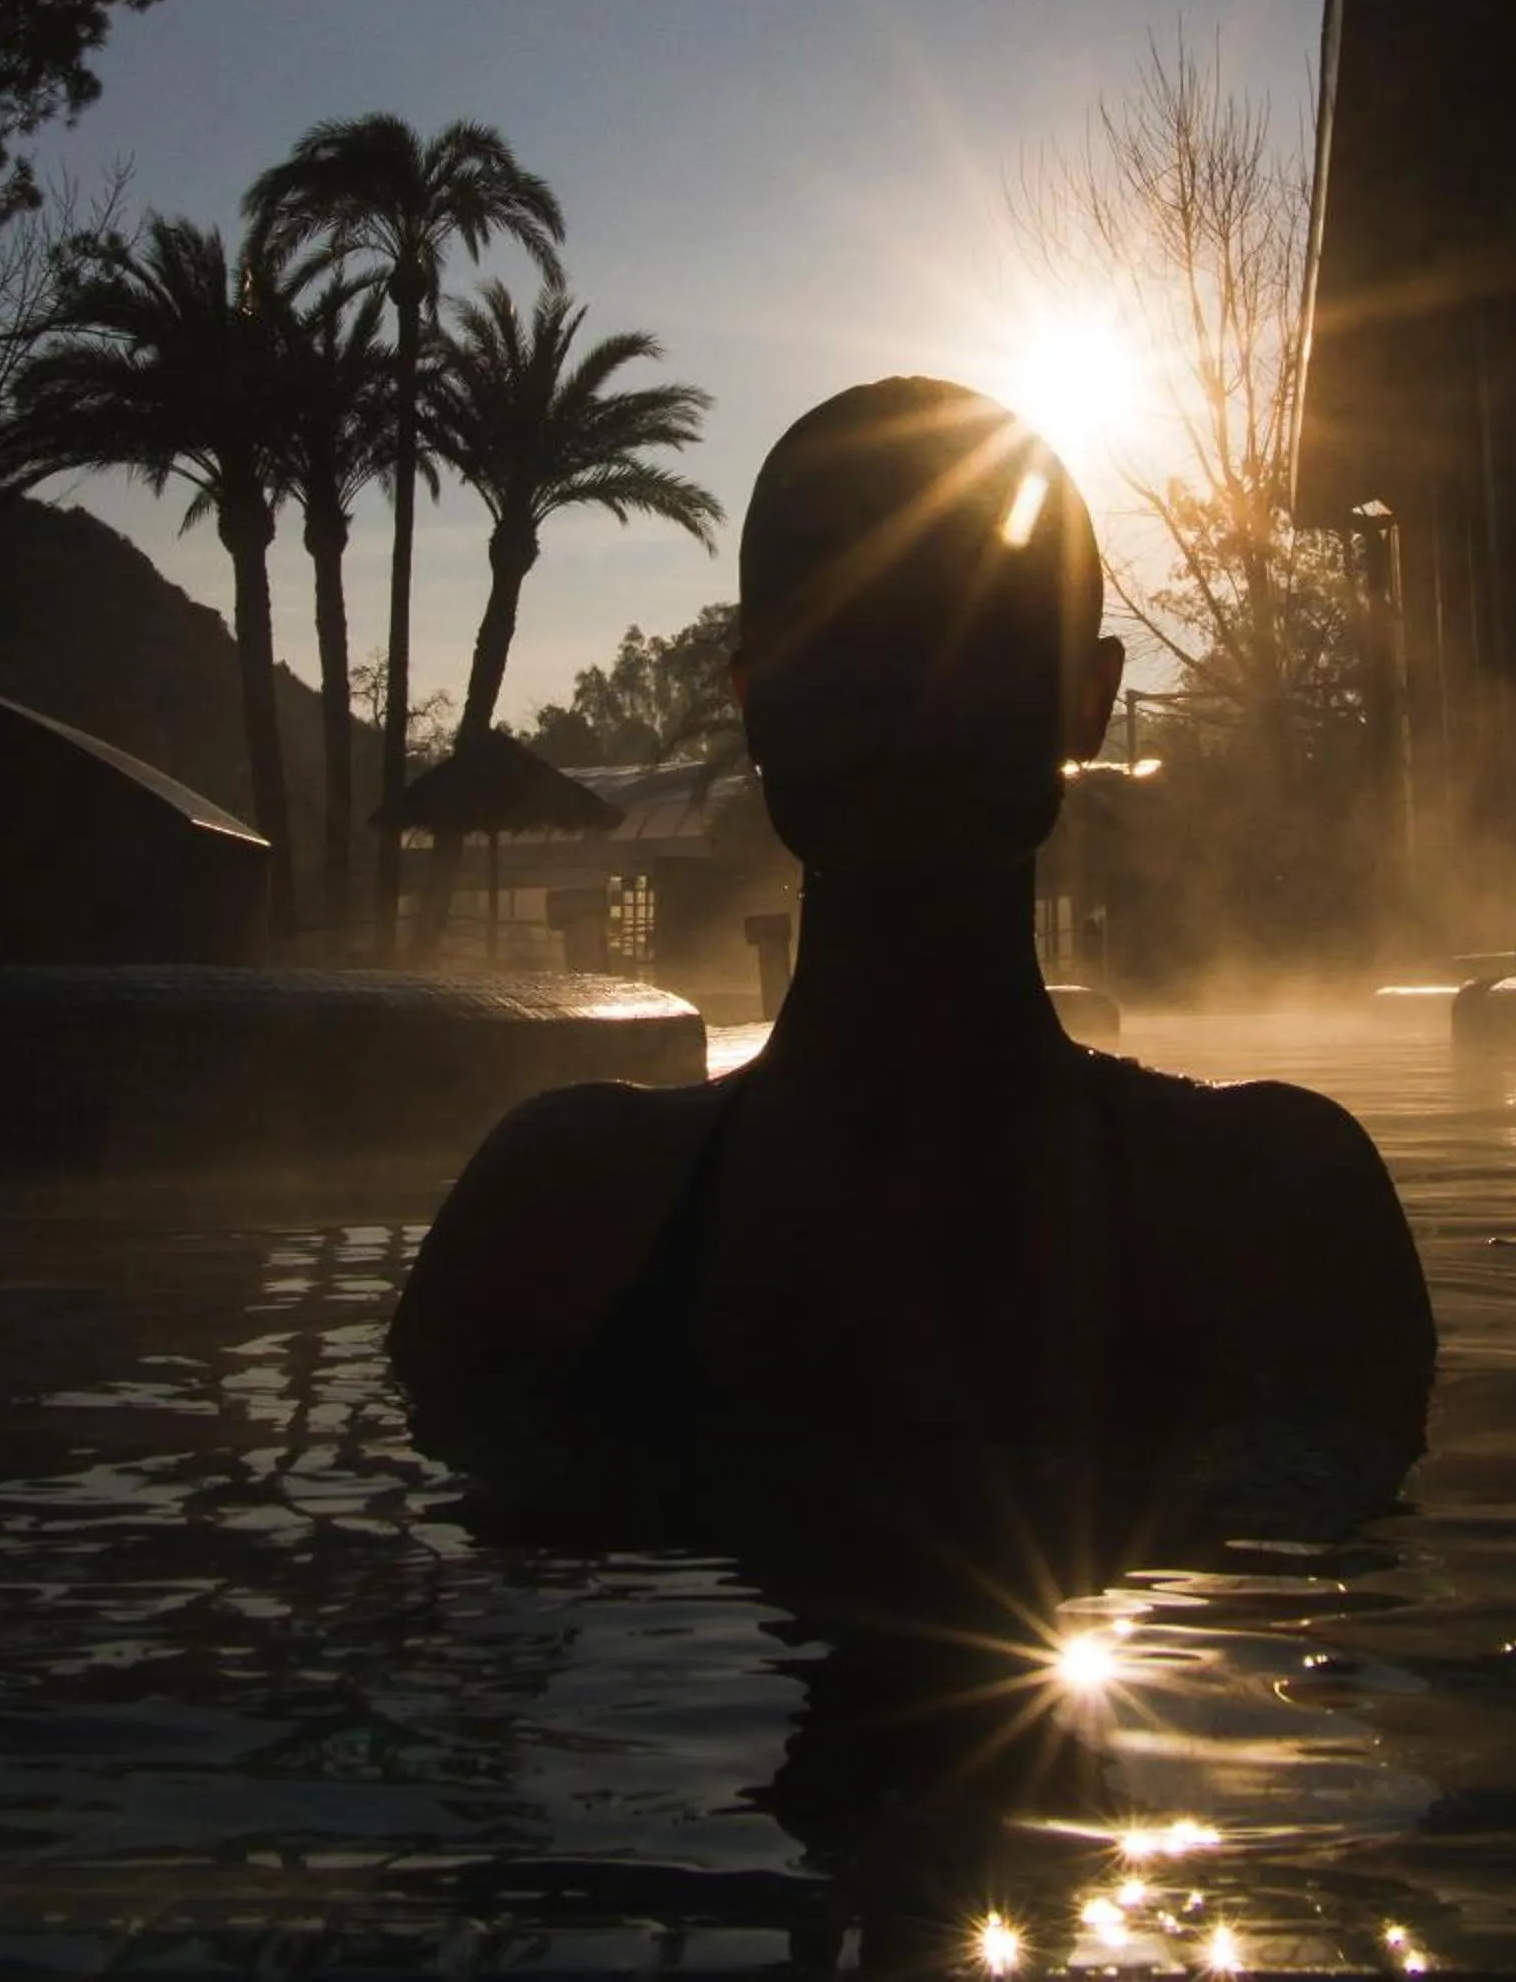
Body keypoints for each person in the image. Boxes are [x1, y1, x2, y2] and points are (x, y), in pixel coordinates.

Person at [390, 377, 1434, 1539]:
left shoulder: (569, 1211)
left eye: (965, 635)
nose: (912, 691)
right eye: (854, 640)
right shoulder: (1271, 1206)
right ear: (1091, 703)